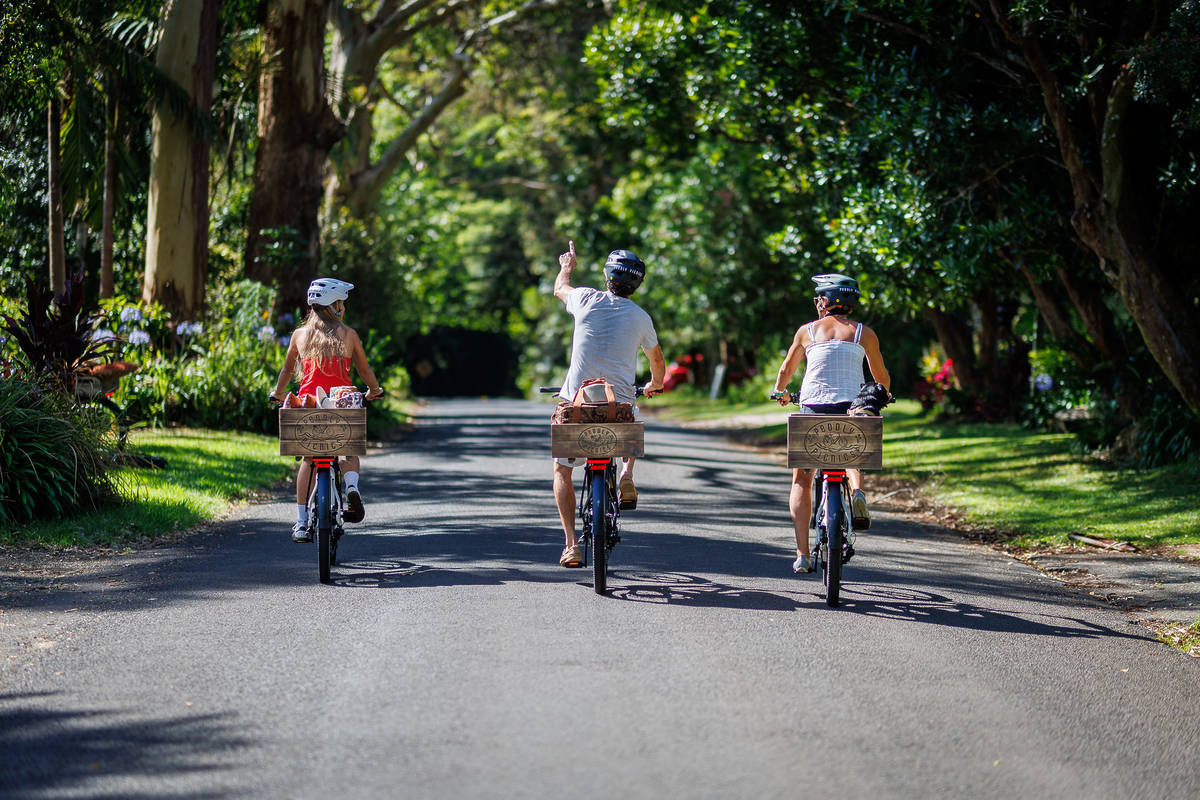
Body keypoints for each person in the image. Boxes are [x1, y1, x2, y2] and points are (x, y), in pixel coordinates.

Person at [553, 241, 666, 568]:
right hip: (618, 410)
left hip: (578, 407)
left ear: (607, 276)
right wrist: (655, 384)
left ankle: (571, 545)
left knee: (562, 471)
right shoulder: (641, 317)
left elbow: (559, 288)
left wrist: (567, 267)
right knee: (632, 414)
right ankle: (627, 473)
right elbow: (657, 362)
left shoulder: (585, 298)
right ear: (636, 285)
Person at [769, 273, 890, 574]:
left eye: (818, 298)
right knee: (851, 449)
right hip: (852, 407)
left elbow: (786, 370)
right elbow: (881, 377)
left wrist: (781, 392)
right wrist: (885, 394)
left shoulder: (807, 331)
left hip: (814, 408)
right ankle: (858, 493)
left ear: (825, 301)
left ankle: (802, 554)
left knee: (802, 480)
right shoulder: (864, 333)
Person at [270, 278, 384, 543]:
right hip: (341, 402)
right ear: (335, 307)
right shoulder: (349, 335)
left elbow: (287, 370)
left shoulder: (300, 335)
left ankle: (301, 521)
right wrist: (374, 390)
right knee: (347, 448)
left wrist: (277, 393)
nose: (343, 307)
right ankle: (351, 486)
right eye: (341, 303)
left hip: (310, 404)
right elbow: (364, 370)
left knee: (309, 460)